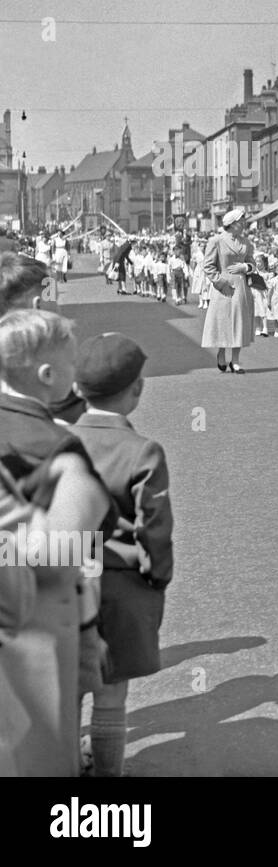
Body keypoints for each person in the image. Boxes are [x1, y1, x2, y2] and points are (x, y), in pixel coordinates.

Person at [0, 310, 112, 776]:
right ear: (48, 376)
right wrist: (80, 484)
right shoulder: (53, 443)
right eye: (71, 366)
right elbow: (64, 551)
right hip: (35, 629)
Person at [67, 334, 174, 778]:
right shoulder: (142, 451)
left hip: (64, 584)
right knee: (111, 697)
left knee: (67, 692)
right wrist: (156, 575)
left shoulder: (57, 443)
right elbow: (155, 527)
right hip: (122, 585)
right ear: (136, 391)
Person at [201, 208, 255, 374]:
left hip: (241, 287)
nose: (244, 224)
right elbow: (208, 266)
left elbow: (252, 263)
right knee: (223, 321)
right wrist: (220, 282)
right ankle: (222, 353)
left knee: (239, 322)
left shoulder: (246, 242)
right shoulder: (216, 241)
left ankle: (236, 360)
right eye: (241, 221)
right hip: (223, 288)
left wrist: (245, 266)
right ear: (232, 224)